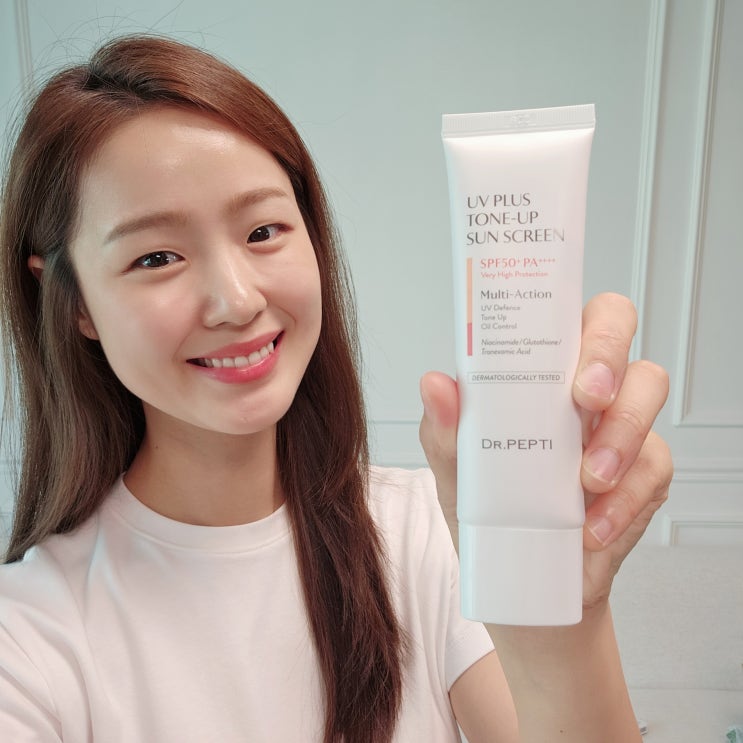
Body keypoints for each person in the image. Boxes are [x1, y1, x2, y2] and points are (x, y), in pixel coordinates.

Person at [0, 35, 672, 743]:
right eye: (157, 257)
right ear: (72, 302)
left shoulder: (435, 533)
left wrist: (566, 627)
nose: (237, 300)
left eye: (263, 230)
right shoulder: (29, 636)